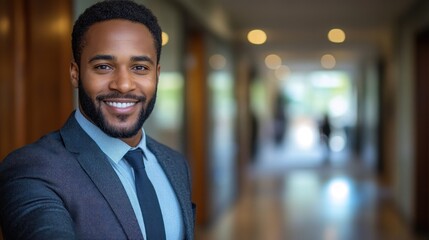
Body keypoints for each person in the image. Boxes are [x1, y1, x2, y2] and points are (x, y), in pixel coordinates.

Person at [0, 0, 195, 239]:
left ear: (157, 74)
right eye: (103, 66)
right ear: (75, 73)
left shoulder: (175, 164)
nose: (123, 85)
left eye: (140, 68)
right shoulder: (33, 169)